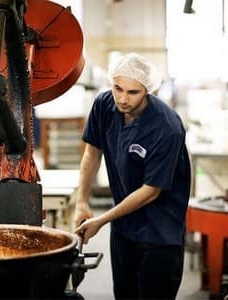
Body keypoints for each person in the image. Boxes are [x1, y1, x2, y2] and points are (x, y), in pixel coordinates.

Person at [74, 53, 191, 300]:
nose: (122, 99)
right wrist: (82, 200)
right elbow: (92, 152)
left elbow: (151, 190)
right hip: (125, 228)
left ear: (147, 90)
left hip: (160, 232)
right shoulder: (105, 105)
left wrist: (101, 220)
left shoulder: (166, 127)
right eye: (117, 88)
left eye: (132, 92)